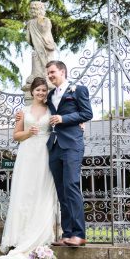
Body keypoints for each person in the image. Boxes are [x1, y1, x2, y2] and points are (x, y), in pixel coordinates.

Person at [0, 77, 59, 259]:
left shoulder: (52, 109)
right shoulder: (23, 112)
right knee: (25, 192)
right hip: (27, 154)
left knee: (42, 191)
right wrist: (29, 133)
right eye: (38, 90)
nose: (41, 93)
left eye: (44, 90)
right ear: (32, 92)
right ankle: (22, 235)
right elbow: (16, 135)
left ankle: (43, 233)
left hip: (45, 153)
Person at [45, 60, 93, 247]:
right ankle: (67, 234)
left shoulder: (78, 90)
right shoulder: (50, 95)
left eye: (52, 72)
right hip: (55, 146)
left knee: (71, 186)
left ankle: (79, 234)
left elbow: (87, 114)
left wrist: (64, 118)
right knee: (62, 191)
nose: (50, 75)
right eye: (48, 73)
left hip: (72, 144)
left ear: (63, 72)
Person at [25, 1, 57, 86]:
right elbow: (28, 38)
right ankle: (37, 76)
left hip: (46, 47)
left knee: (46, 62)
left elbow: (45, 30)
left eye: (34, 8)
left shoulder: (44, 20)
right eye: (31, 8)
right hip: (38, 48)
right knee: (36, 58)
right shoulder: (31, 22)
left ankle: (46, 75)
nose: (32, 10)